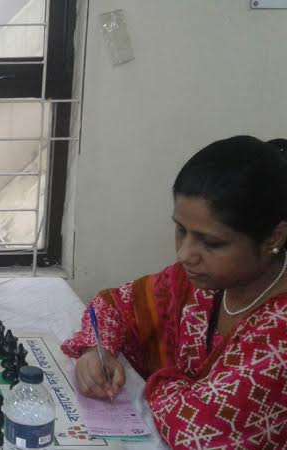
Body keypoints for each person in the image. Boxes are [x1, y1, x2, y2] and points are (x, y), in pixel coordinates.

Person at [62, 135, 287, 449]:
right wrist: (97, 349)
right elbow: (113, 306)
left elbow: (194, 430)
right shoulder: (199, 282)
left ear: (274, 237)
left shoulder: (279, 335)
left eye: (211, 243)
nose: (184, 255)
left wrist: (163, 378)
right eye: (181, 231)